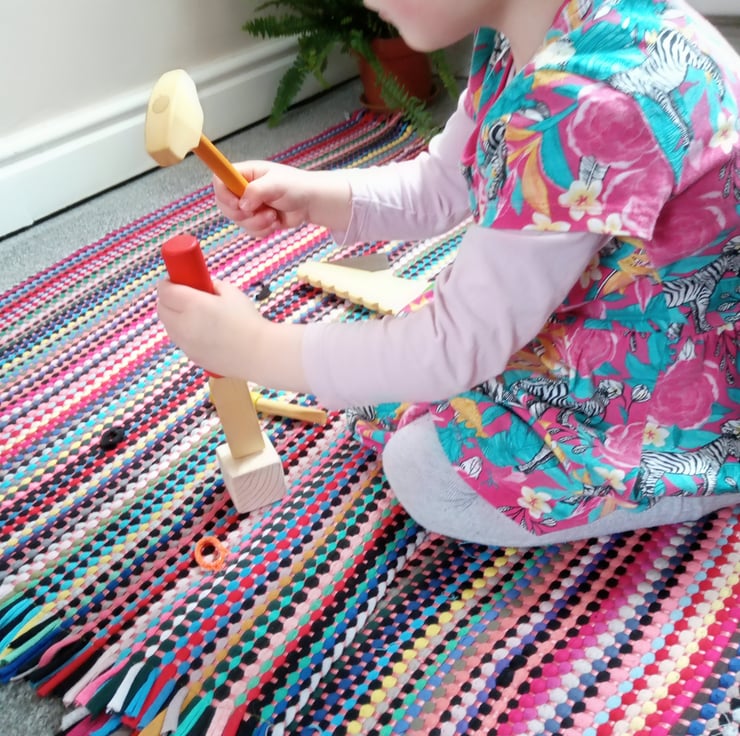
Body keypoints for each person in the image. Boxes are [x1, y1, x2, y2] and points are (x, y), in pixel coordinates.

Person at [158, 0, 740, 547]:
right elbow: (443, 183)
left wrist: (255, 348)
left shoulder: (581, 101)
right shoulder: (531, 33)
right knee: (391, 377)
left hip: (690, 394)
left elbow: (456, 344)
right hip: (625, 317)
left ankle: (690, 479)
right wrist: (316, 194)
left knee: (423, 470)